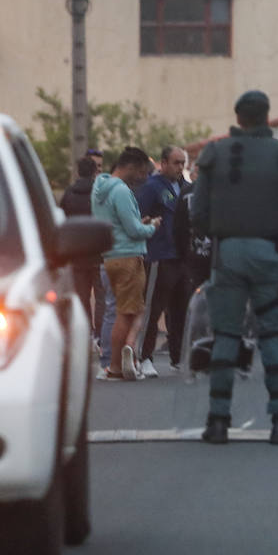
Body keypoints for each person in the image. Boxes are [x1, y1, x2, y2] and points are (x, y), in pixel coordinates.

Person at [191, 90, 278, 445]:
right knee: (272, 334)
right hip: (271, 253)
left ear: (238, 117)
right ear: (267, 116)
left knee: (225, 335)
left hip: (226, 253)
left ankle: (217, 420)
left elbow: (197, 214)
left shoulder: (213, 154)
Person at [92, 147, 160, 380]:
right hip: (128, 256)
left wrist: (137, 223)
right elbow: (133, 229)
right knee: (127, 312)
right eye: (141, 172)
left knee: (118, 309)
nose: (143, 177)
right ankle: (117, 364)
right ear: (129, 167)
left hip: (109, 256)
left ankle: (119, 357)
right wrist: (152, 227)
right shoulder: (121, 191)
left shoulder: (99, 189)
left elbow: (118, 223)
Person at [134, 145, 190, 377]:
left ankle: (179, 358)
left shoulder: (187, 188)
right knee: (153, 309)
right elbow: (139, 215)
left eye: (182, 164)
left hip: (182, 257)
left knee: (181, 311)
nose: (180, 168)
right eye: (176, 163)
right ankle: (144, 356)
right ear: (163, 163)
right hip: (160, 256)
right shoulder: (152, 187)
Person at [60, 148, 106, 339]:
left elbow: (62, 220)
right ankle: (100, 336)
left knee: (82, 297)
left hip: (78, 254)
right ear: (95, 171)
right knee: (102, 298)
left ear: (78, 172)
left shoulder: (69, 193)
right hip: (100, 253)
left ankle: (86, 334)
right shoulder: (101, 192)